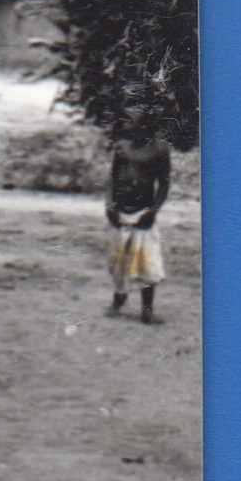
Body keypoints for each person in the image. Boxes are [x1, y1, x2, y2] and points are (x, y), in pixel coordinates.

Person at [106, 105, 171, 324]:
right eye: (124, 121)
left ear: (145, 125)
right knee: (119, 261)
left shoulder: (159, 150)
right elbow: (113, 178)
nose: (125, 125)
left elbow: (164, 184)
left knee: (146, 263)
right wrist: (110, 205)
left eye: (130, 121)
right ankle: (118, 300)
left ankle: (147, 310)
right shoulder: (121, 148)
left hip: (143, 215)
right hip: (120, 213)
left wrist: (153, 212)